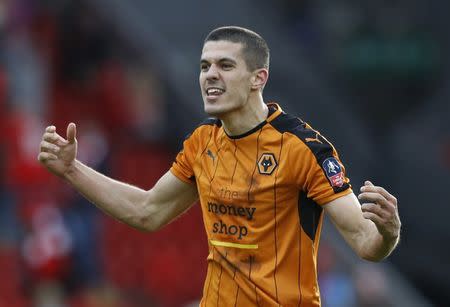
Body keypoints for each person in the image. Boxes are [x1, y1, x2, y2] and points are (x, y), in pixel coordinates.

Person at [38, 26, 401, 306]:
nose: (210, 75)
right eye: (204, 66)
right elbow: (146, 211)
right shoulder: (201, 143)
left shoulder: (303, 148)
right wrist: (72, 170)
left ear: (259, 78)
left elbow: (365, 242)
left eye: (225, 65)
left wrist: (388, 233)